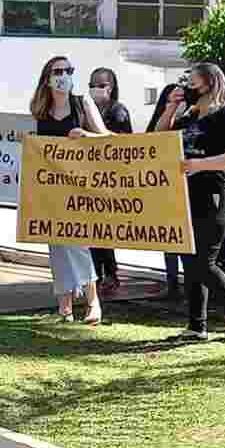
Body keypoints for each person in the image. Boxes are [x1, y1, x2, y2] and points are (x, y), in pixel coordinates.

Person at [154, 62, 225, 340]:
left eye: (193, 83)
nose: (188, 88)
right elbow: (160, 137)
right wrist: (171, 107)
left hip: (215, 193)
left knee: (204, 261)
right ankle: (197, 326)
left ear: (209, 82)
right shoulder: (191, 114)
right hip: (186, 194)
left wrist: (201, 164)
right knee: (189, 259)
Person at [30, 56, 109, 324]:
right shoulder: (40, 109)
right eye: (58, 71)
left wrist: (86, 137)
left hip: (80, 187)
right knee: (57, 246)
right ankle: (64, 307)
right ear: (48, 77)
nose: (64, 75)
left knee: (77, 243)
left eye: (68, 70)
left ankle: (92, 302)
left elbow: (106, 138)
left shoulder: (82, 102)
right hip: (50, 188)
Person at [88, 67, 132, 295]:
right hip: (88, 179)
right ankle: (96, 274)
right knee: (92, 232)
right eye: (92, 85)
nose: (96, 89)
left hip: (110, 180)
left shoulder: (118, 111)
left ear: (111, 88)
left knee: (103, 231)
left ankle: (110, 274)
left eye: (101, 85)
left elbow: (124, 143)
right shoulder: (86, 109)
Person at [149, 82, 184, 299]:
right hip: (164, 185)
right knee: (169, 239)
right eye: (173, 98)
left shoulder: (191, 116)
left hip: (188, 183)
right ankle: (172, 284)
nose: (178, 101)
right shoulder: (161, 118)